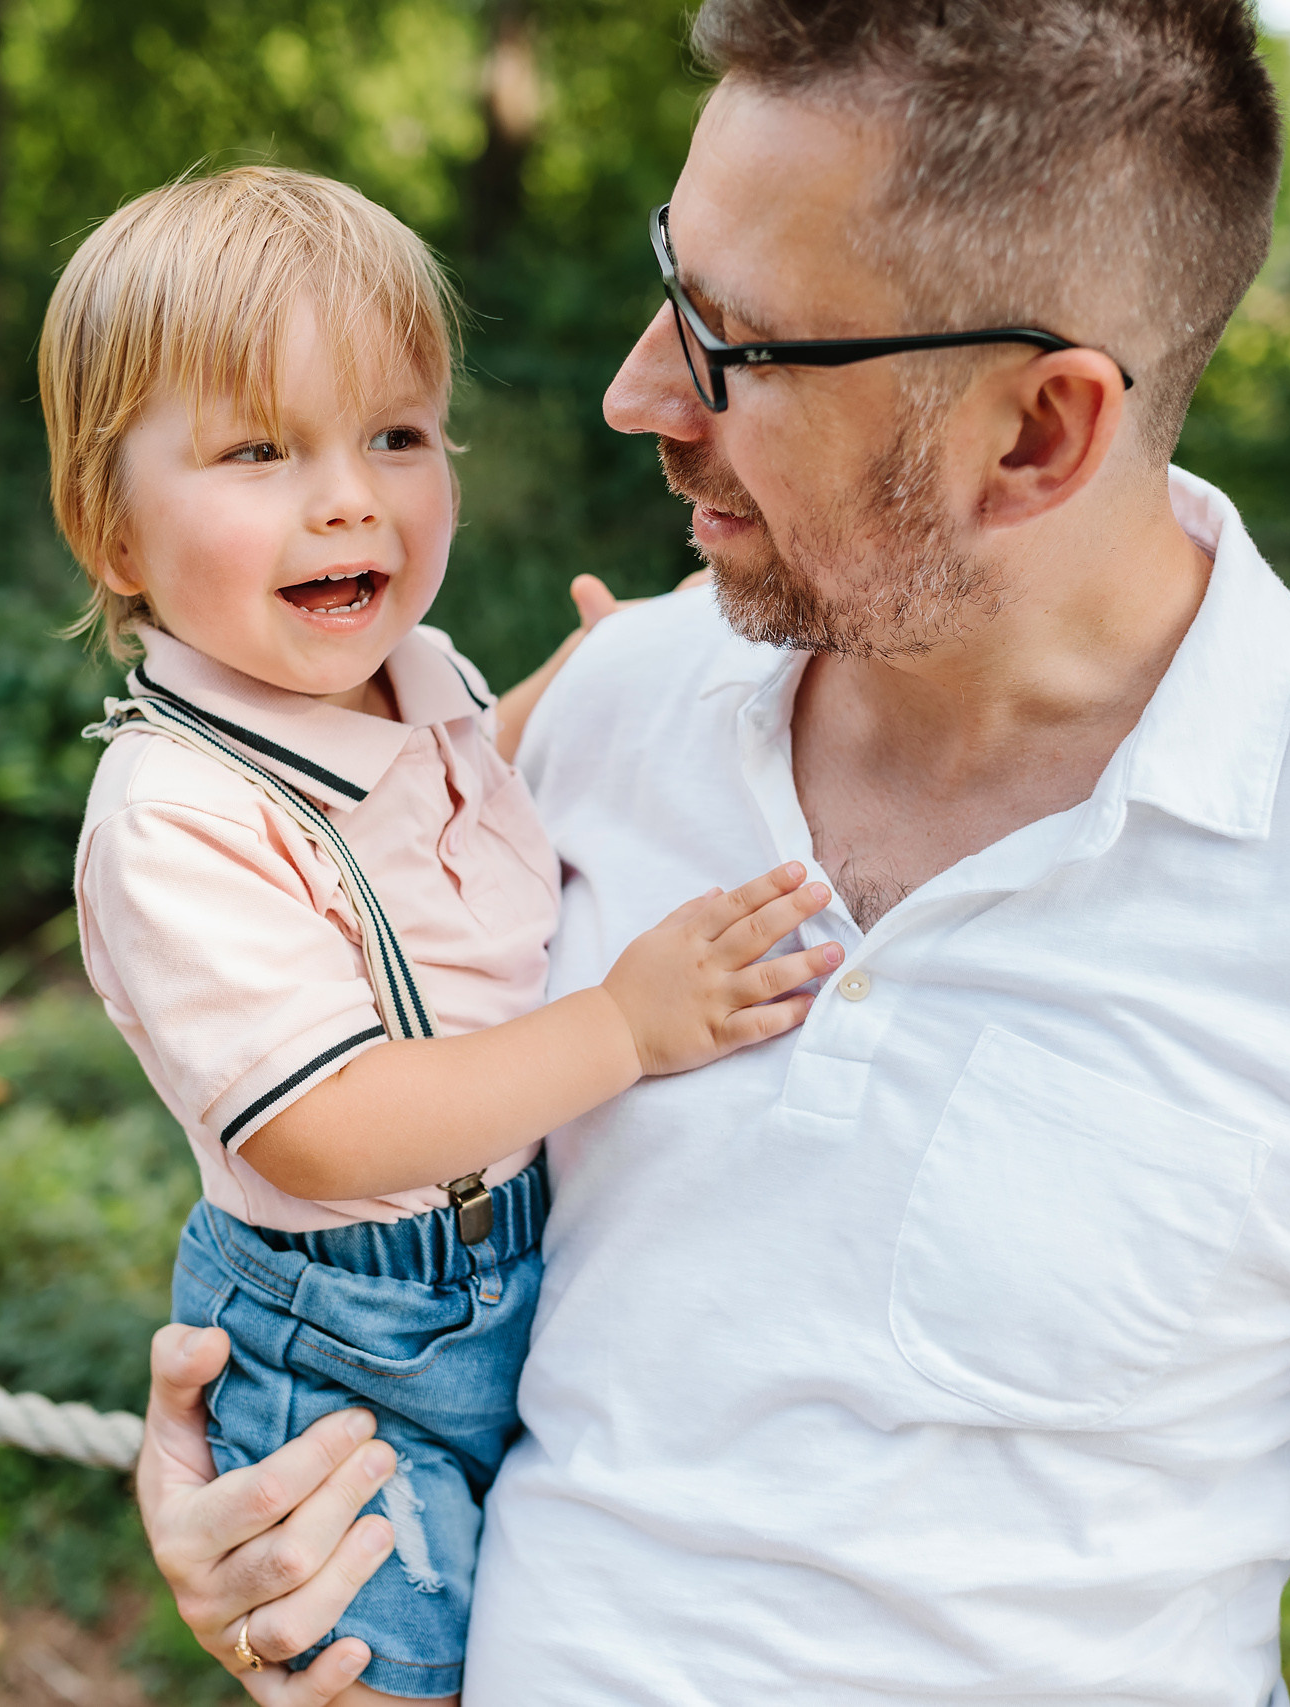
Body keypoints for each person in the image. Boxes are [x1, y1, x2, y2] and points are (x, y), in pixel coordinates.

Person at [128, 2, 1290, 1703]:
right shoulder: (604, 703)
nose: (634, 393)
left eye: (731, 344)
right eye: (669, 274)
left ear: (1040, 433)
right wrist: (269, 1504)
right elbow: (353, 1155)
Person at [43, 167, 838, 1704]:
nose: (350, 497)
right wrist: (627, 1025)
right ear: (115, 534)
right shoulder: (178, 817)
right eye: (260, 450)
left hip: (506, 1274)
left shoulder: (419, 675)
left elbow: (468, 775)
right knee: (385, 1668)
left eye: (396, 436)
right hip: (344, 1341)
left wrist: (579, 684)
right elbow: (328, 1130)